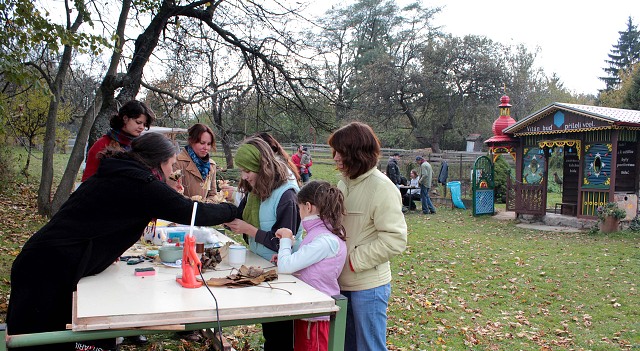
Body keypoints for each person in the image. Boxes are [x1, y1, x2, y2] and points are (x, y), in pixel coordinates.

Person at [7, 133, 239, 351]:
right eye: (170, 165)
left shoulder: (121, 173)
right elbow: (192, 212)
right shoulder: (140, 184)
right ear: (158, 163)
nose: (171, 171)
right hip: (46, 270)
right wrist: (233, 210)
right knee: (37, 342)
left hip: (47, 261)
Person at [327, 122, 407, 351]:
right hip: (339, 283)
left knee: (369, 347)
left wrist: (353, 261)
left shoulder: (383, 188)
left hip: (368, 288)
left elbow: (395, 239)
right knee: (344, 346)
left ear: (357, 153)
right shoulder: (344, 183)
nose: (335, 158)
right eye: (334, 151)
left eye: (340, 151)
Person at [224, 137, 302, 351]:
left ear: (262, 167)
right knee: (271, 334)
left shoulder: (286, 195)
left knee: (281, 337)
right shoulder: (257, 190)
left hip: (283, 275)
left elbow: (284, 243)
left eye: (247, 170)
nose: (244, 176)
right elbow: (241, 215)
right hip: (264, 269)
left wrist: (249, 229)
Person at [273, 180, 347, 351]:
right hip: (309, 311)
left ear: (308, 207)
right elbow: (307, 263)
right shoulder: (323, 234)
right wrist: (288, 254)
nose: (299, 213)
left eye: (299, 208)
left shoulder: (325, 239)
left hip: (316, 317)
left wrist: (285, 239)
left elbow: (285, 267)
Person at [82, 100, 155, 181]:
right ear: (125, 118)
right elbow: (87, 181)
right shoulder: (102, 144)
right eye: (138, 122)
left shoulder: (142, 146)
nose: (142, 127)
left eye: (144, 124)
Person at [172, 123, 219, 202]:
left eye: (209, 144)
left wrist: (206, 207)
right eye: (202, 143)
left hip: (204, 212)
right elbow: (173, 191)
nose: (206, 148)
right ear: (191, 141)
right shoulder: (177, 163)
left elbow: (213, 194)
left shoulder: (211, 165)